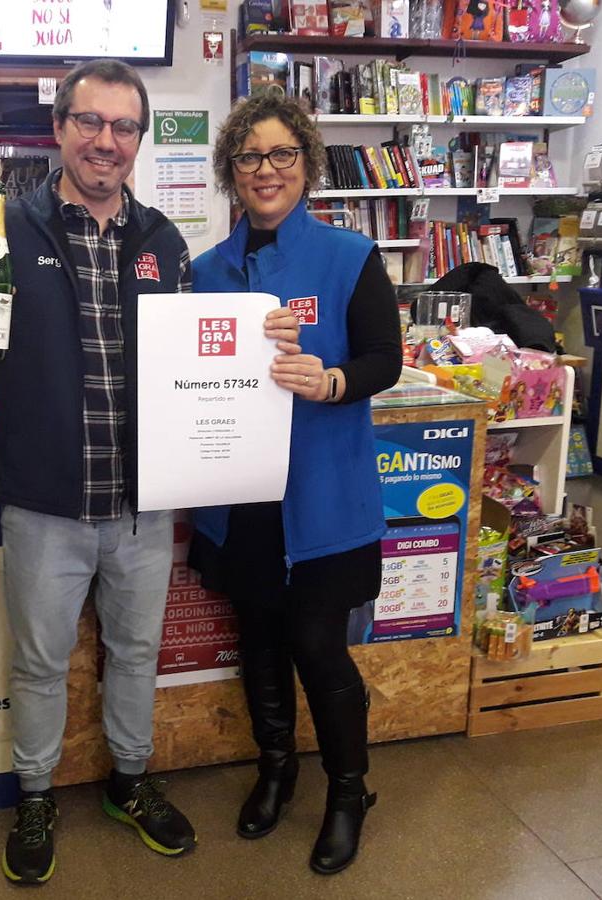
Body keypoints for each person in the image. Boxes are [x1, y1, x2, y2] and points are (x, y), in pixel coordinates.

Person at [0, 60, 196, 885]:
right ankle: (35, 795)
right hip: (43, 504)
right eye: (90, 123)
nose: (107, 141)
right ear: (60, 128)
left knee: (135, 654)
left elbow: (197, 362)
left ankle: (128, 783)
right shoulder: (1, 230)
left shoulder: (164, 243)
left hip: (141, 504)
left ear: (138, 139)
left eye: (123, 127)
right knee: (38, 663)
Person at [189, 92, 402, 875]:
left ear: (307, 164)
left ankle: (348, 792)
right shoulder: (205, 272)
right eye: (249, 158)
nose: (265, 170)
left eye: (282, 155)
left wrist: (332, 380)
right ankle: (274, 768)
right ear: (231, 174)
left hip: (324, 495)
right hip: (239, 498)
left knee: (318, 642)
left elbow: (385, 357)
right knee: (260, 639)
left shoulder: (350, 256)